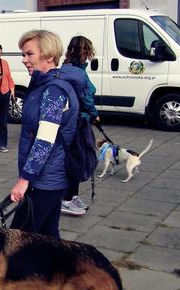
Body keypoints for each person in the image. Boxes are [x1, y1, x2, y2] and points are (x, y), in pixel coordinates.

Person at [0, 30, 87, 290]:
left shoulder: (53, 92)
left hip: (44, 181)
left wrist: (25, 180)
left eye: (29, 54)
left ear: (49, 55)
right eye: (23, 54)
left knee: (14, 249)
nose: (24, 60)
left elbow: (45, 141)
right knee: (51, 243)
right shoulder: (45, 85)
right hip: (50, 179)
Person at [60, 36, 100, 216]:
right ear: (85, 52)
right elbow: (87, 96)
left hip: (69, 120)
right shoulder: (79, 73)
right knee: (78, 159)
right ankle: (67, 199)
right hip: (79, 121)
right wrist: (94, 115)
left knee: (72, 158)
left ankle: (71, 196)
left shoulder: (65, 68)